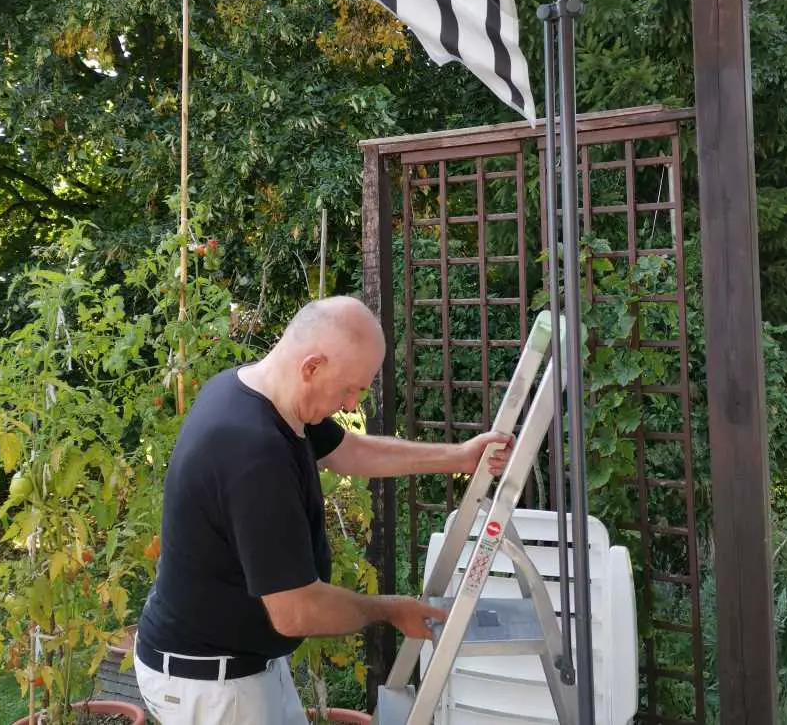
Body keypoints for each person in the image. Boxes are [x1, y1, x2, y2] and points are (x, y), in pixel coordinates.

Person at [134, 295, 511, 724]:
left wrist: (458, 457)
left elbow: (351, 452)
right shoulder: (253, 453)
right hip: (211, 684)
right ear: (311, 366)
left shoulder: (259, 392)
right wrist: (390, 609)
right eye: (350, 389)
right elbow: (297, 612)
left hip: (243, 663)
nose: (352, 405)